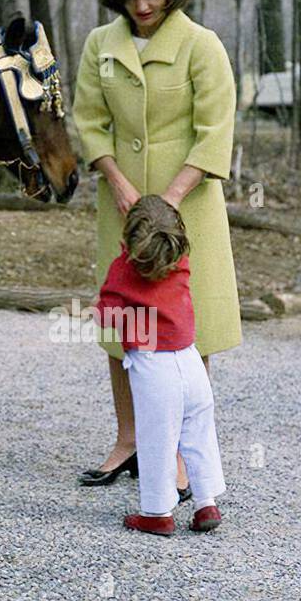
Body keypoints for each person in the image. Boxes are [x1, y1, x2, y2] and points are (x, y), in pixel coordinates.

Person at [72, 0, 241, 492]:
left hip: (188, 207)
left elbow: (215, 130)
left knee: (187, 329)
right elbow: (89, 120)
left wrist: (170, 197)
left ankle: (184, 454)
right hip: (119, 206)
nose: (142, 8)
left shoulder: (202, 45)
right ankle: (131, 442)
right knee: (125, 322)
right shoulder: (101, 44)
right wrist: (117, 182)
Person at [94, 194, 225, 535]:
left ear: (129, 238)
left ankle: (156, 513)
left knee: (156, 438)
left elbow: (105, 315)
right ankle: (205, 503)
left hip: (154, 369)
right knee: (198, 435)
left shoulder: (122, 269)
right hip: (191, 362)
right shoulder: (180, 265)